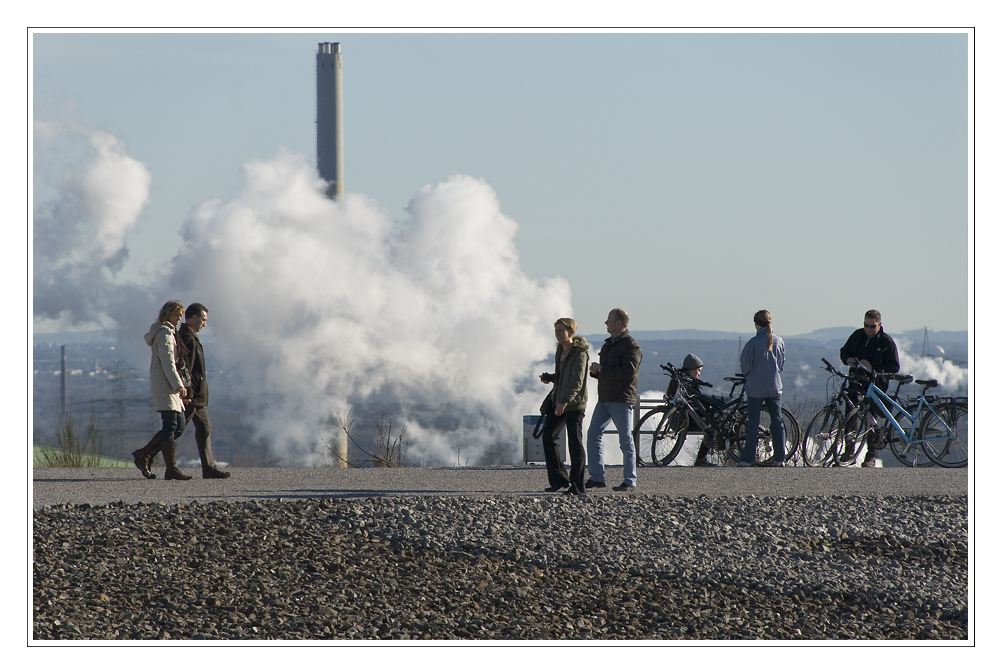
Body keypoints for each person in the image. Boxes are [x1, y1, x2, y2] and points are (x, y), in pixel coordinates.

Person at [132, 300, 192, 480]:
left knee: (178, 426)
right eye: (176, 315)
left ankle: (144, 454)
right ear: (167, 315)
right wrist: (179, 386)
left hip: (169, 384)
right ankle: (170, 468)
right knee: (171, 425)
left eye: (180, 316)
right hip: (166, 384)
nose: (178, 319)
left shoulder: (169, 333)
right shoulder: (164, 335)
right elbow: (169, 364)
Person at [585, 308, 643, 491]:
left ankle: (629, 480)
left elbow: (628, 372)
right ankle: (596, 477)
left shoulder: (631, 346)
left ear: (619, 323)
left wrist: (602, 370)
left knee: (625, 441)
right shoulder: (608, 345)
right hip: (604, 398)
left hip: (621, 399)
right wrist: (596, 373)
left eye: (608, 320)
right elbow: (608, 372)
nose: (605, 323)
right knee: (593, 434)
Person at [839, 309, 900, 467]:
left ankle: (871, 455)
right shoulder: (857, 336)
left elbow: (894, 366)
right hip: (856, 381)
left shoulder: (886, 342)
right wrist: (848, 360)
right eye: (866, 325)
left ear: (879, 325)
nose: (868, 329)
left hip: (875, 385)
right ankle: (848, 451)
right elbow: (844, 351)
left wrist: (874, 368)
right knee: (850, 417)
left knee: (872, 419)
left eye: (872, 326)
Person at [537, 318, 590, 494]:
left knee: (575, 444)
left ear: (571, 332)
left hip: (574, 405)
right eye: (556, 331)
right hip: (559, 401)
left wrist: (563, 402)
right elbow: (563, 377)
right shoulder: (560, 350)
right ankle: (560, 480)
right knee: (548, 437)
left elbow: (577, 381)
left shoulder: (580, 353)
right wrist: (551, 378)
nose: (558, 334)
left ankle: (577, 485)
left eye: (561, 330)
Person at [738, 310, 786, 467]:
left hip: (755, 388)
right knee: (777, 422)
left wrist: (750, 375)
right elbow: (781, 364)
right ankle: (780, 458)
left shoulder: (752, 343)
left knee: (753, 423)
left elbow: (745, 366)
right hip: (774, 387)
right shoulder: (779, 341)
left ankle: (748, 458)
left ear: (756, 323)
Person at [666, 353, 717, 467]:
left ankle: (701, 459)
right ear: (691, 369)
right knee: (713, 426)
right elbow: (697, 402)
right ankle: (701, 459)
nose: (699, 374)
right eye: (698, 370)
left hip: (675, 420)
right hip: (686, 421)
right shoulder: (689, 384)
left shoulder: (677, 381)